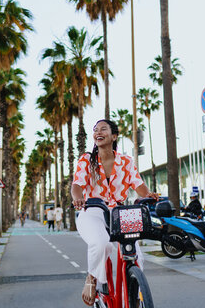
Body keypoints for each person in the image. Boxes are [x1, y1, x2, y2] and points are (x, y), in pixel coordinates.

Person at [71, 119, 158, 306]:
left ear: (114, 136)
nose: (98, 132)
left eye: (103, 129)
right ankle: (92, 278)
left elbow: (138, 185)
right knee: (102, 244)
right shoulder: (87, 160)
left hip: (120, 212)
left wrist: (149, 194)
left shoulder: (126, 161)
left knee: (135, 253)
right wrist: (78, 198)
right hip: (93, 209)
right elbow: (77, 184)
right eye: (95, 130)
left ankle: (135, 294)